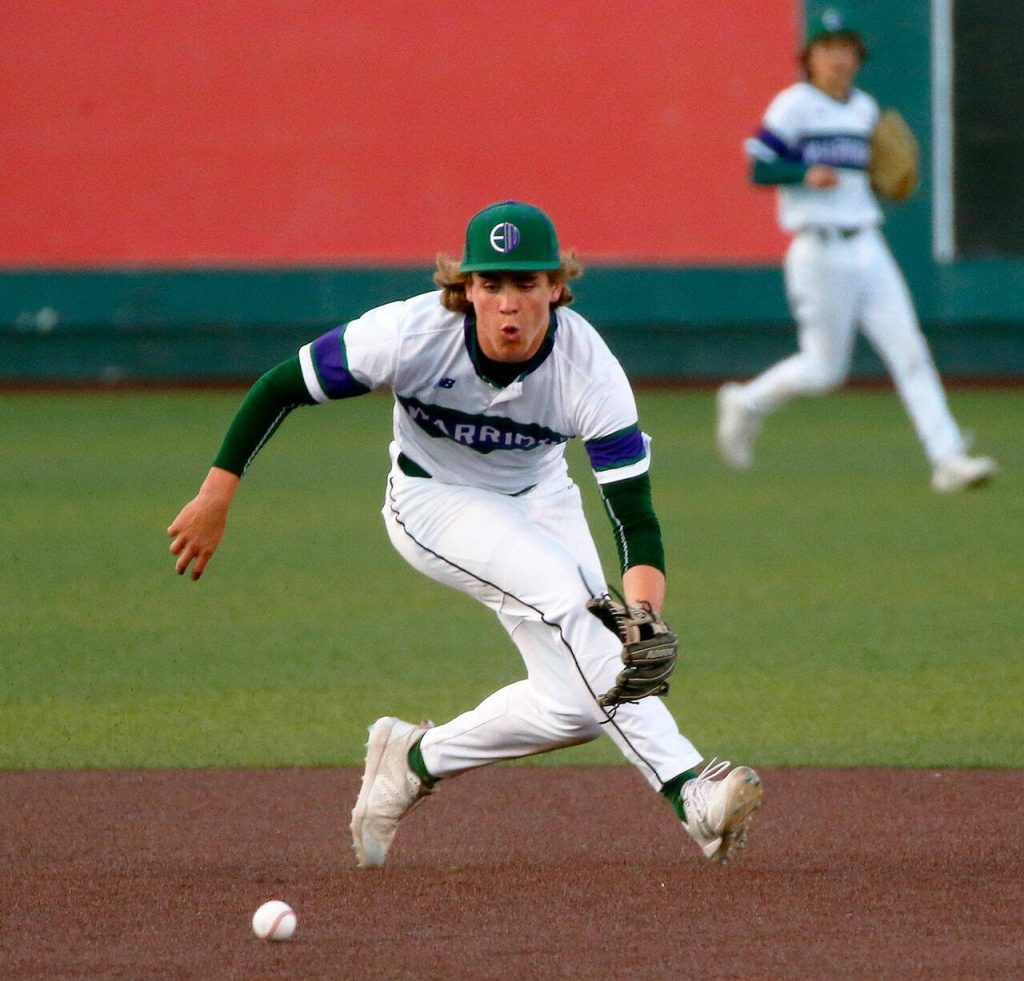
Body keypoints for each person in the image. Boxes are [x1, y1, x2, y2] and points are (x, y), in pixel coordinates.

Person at [168, 200, 762, 868]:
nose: (508, 303)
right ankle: (691, 793)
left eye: (526, 283)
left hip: (539, 496)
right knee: (574, 602)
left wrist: (645, 611)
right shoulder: (409, 333)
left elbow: (634, 515)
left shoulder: (590, 370)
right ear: (464, 288)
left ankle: (415, 758)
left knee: (584, 702)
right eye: (491, 284)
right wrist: (217, 492)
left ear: (556, 288)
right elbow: (282, 385)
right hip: (431, 502)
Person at [718, 8, 997, 493]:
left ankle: (948, 457)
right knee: (825, 371)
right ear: (811, 58)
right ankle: (746, 401)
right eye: (828, 49)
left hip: (867, 242)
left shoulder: (864, 110)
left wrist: (885, 179)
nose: (838, 59)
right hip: (818, 248)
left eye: (846, 49)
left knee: (910, 351)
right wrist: (802, 172)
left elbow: (875, 176)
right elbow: (758, 168)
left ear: (857, 57)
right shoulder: (794, 105)